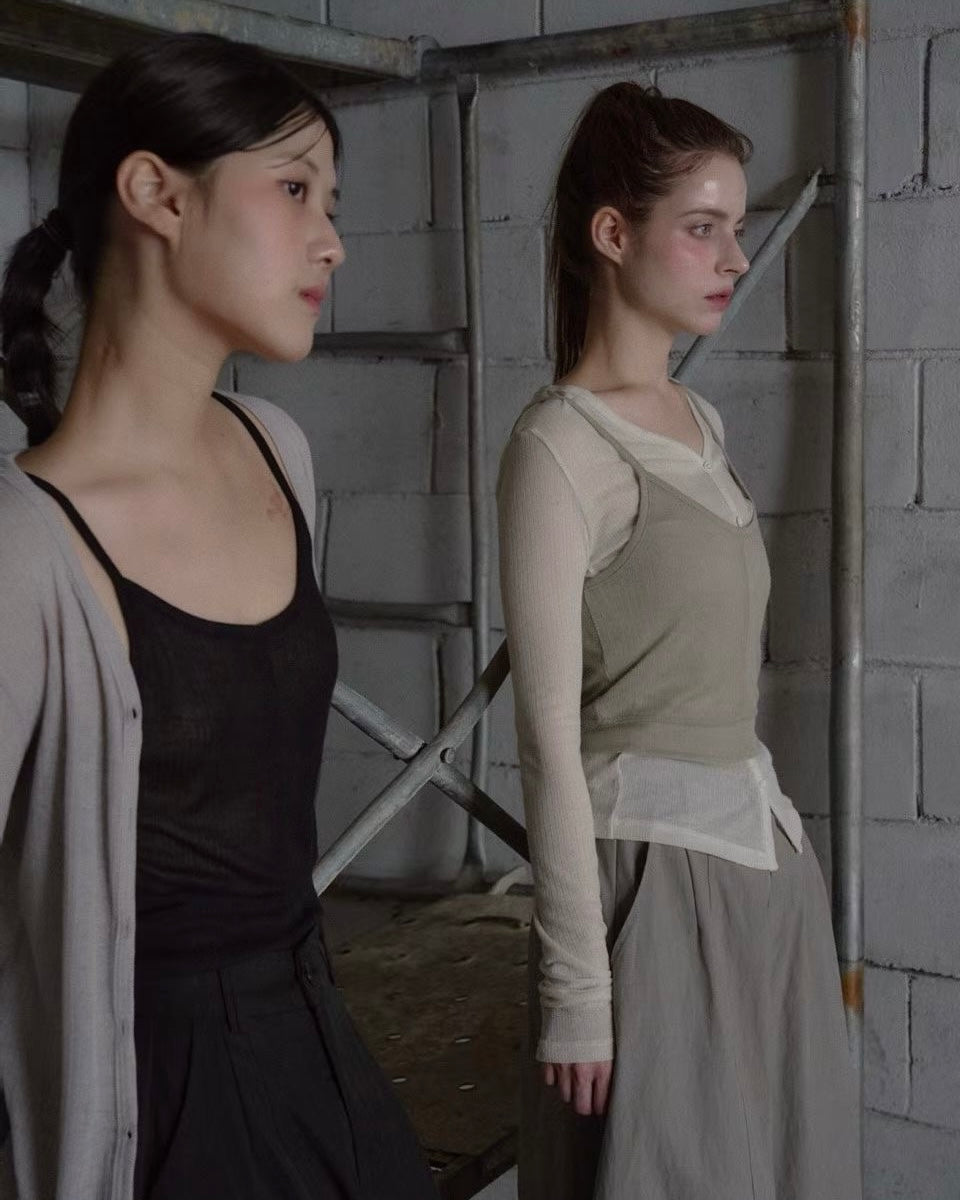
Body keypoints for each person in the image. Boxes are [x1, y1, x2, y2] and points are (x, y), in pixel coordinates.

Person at [0, 32, 436, 1200]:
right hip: (153, 1109)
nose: (331, 239)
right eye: (294, 191)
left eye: (330, 203)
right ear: (157, 192)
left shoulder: (275, 448)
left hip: (322, 1048)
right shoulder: (24, 545)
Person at [497, 82, 860, 1200]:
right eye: (703, 227)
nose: (735, 258)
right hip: (651, 892)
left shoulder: (702, 422)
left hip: (762, 878)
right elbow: (546, 741)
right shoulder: (560, 448)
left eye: (736, 228)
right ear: (614, 234)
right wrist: (577, 991)